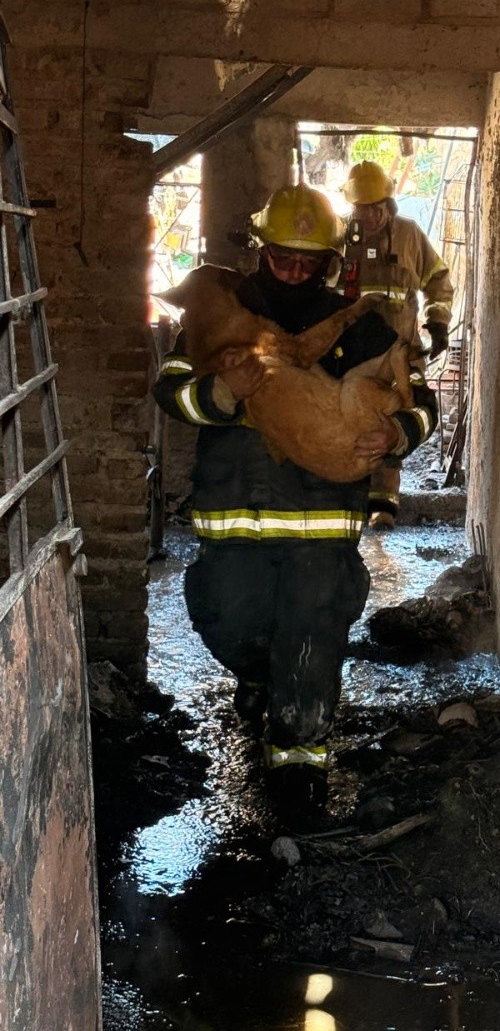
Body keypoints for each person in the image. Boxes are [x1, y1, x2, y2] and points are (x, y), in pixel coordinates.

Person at [152, 183, 437, 825]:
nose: (297, 272)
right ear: (262, 251)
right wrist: (221, 395)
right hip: (233, 523)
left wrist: (397, 433)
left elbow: (422, 401)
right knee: (228, 621)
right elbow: (170, 391)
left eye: (311, 264)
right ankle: (258, 676)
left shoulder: (360, 326)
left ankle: (301, 768)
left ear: (330, 263)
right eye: (285, 259)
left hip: (322, 529)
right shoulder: (222, 313)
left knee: (312, 636)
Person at [338, 160, 454, 530]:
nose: (369, 215)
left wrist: (438, 323)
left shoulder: (409, 235)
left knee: (396, 420)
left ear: (389, 204)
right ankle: (348, 498)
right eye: (362, 207)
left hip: (400, 353)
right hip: (355, 354)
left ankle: (384, 506)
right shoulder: (339, 238)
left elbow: (437, 279)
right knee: (351, 421)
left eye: (376, 207)